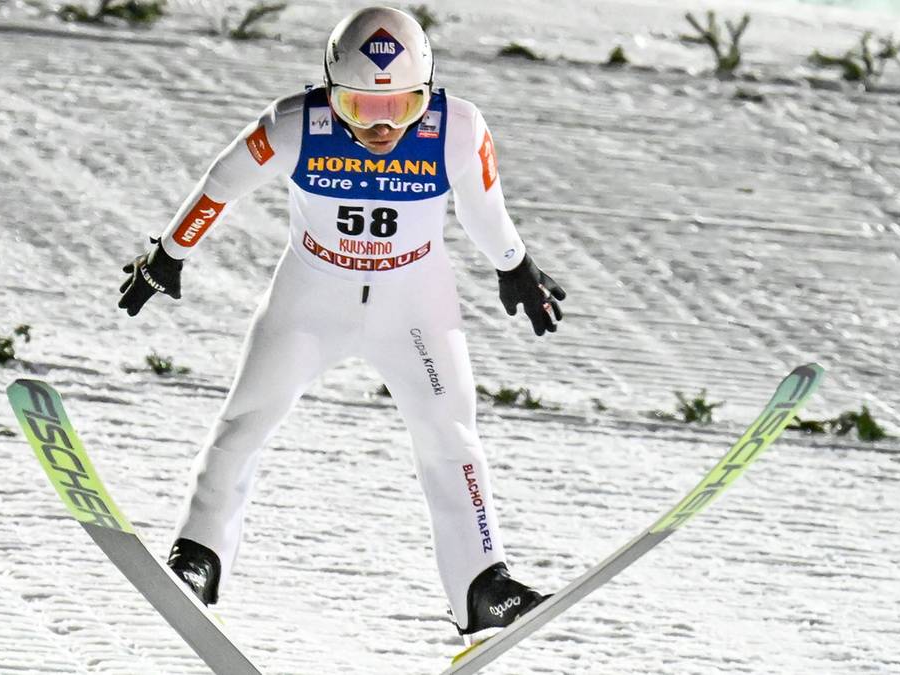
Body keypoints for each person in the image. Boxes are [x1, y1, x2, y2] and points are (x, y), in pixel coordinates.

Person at [118, 6, 565, 643]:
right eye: (360, 108)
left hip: (413, 301)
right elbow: (222, 183)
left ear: (429, 92)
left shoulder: (458, 128)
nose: (382, 127)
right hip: (312, 297)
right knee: (246, 420)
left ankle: (482, 587)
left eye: (402, 107)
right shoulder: (297, 123)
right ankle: (199, 558)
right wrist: (169, 252)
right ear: (330, 92)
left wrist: (515, 265)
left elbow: (485, 207)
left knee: (451, 436)